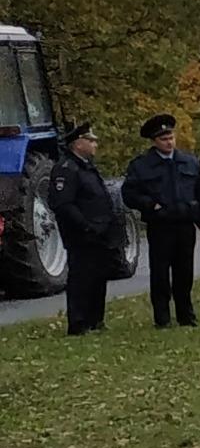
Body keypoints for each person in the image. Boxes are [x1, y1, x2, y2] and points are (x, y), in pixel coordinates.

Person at [120, 113, 200, 328]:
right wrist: (150, 205)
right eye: (163, 139)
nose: (169, 142)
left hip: (185, 224)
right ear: (154, 141)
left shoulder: (189, 161)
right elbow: (129, 194)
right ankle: (162, 317)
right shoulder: (142, 166)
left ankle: (185, 315)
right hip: (160, 226)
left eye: (171, 137)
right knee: (160, 273)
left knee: (184, 272)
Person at [44, 123, 126, 336]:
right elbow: (63, 204)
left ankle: (95, 319)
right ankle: (79, 323)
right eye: (90, 140)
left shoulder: (87, 167)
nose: (94, 144)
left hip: (100, 233)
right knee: (82, 278)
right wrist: (85, 226)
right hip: (82, 234)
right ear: (77, 144)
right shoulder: (66, 169)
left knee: (98, 277)